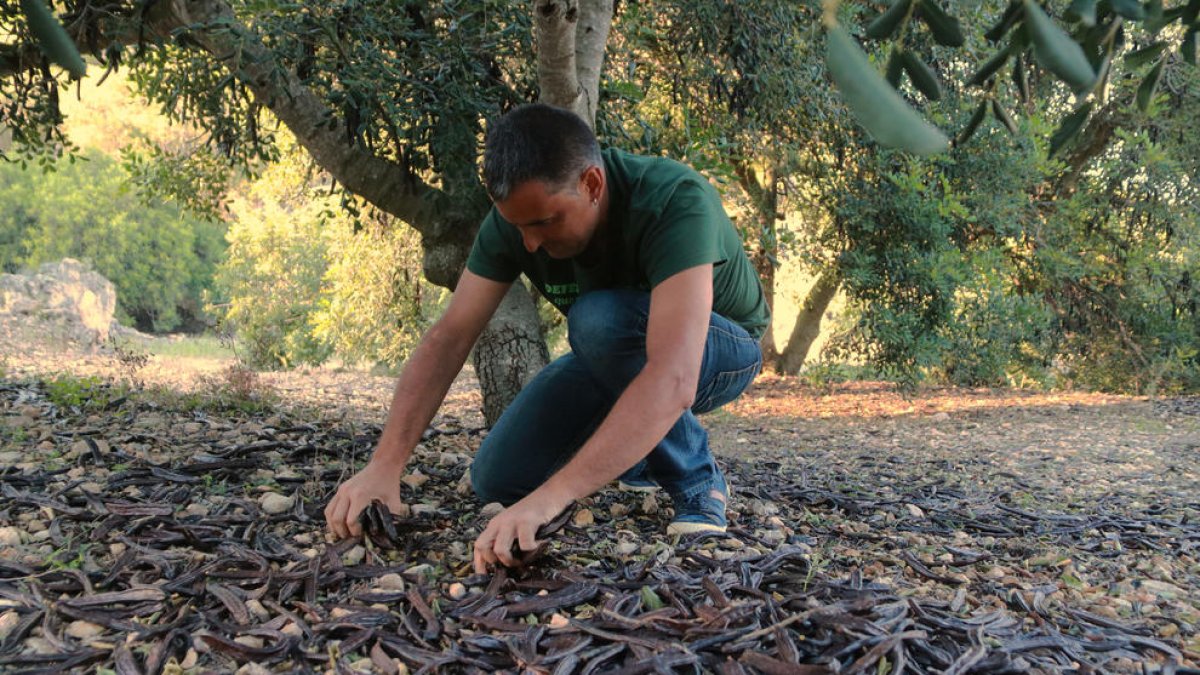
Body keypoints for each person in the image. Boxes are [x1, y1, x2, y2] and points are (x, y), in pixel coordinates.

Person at [324, 103, 769, 573]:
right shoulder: (520, 219)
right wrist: (385, 464)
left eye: (544, 223)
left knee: (598, 321)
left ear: (592, 184)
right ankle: (638, 458)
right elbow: (449, 337)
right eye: (519, 226)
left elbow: (674, 375)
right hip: (611, 352)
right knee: (498, 479)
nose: (530, 243)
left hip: (720, 351)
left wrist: (552, 499)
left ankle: (698, 481)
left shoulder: (673, 199)